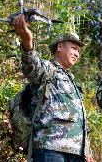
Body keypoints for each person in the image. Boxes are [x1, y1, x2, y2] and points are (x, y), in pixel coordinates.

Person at [12, 14, 94, 162]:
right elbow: (31, 65)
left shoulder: (73, 82)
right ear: (60, 47)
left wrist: (87, 149)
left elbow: (80, 120)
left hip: (76, 151)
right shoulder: (47, 69)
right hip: (50, 146)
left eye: (78, 51)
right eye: (74, 48)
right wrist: (27, 41)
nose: (77, 53)